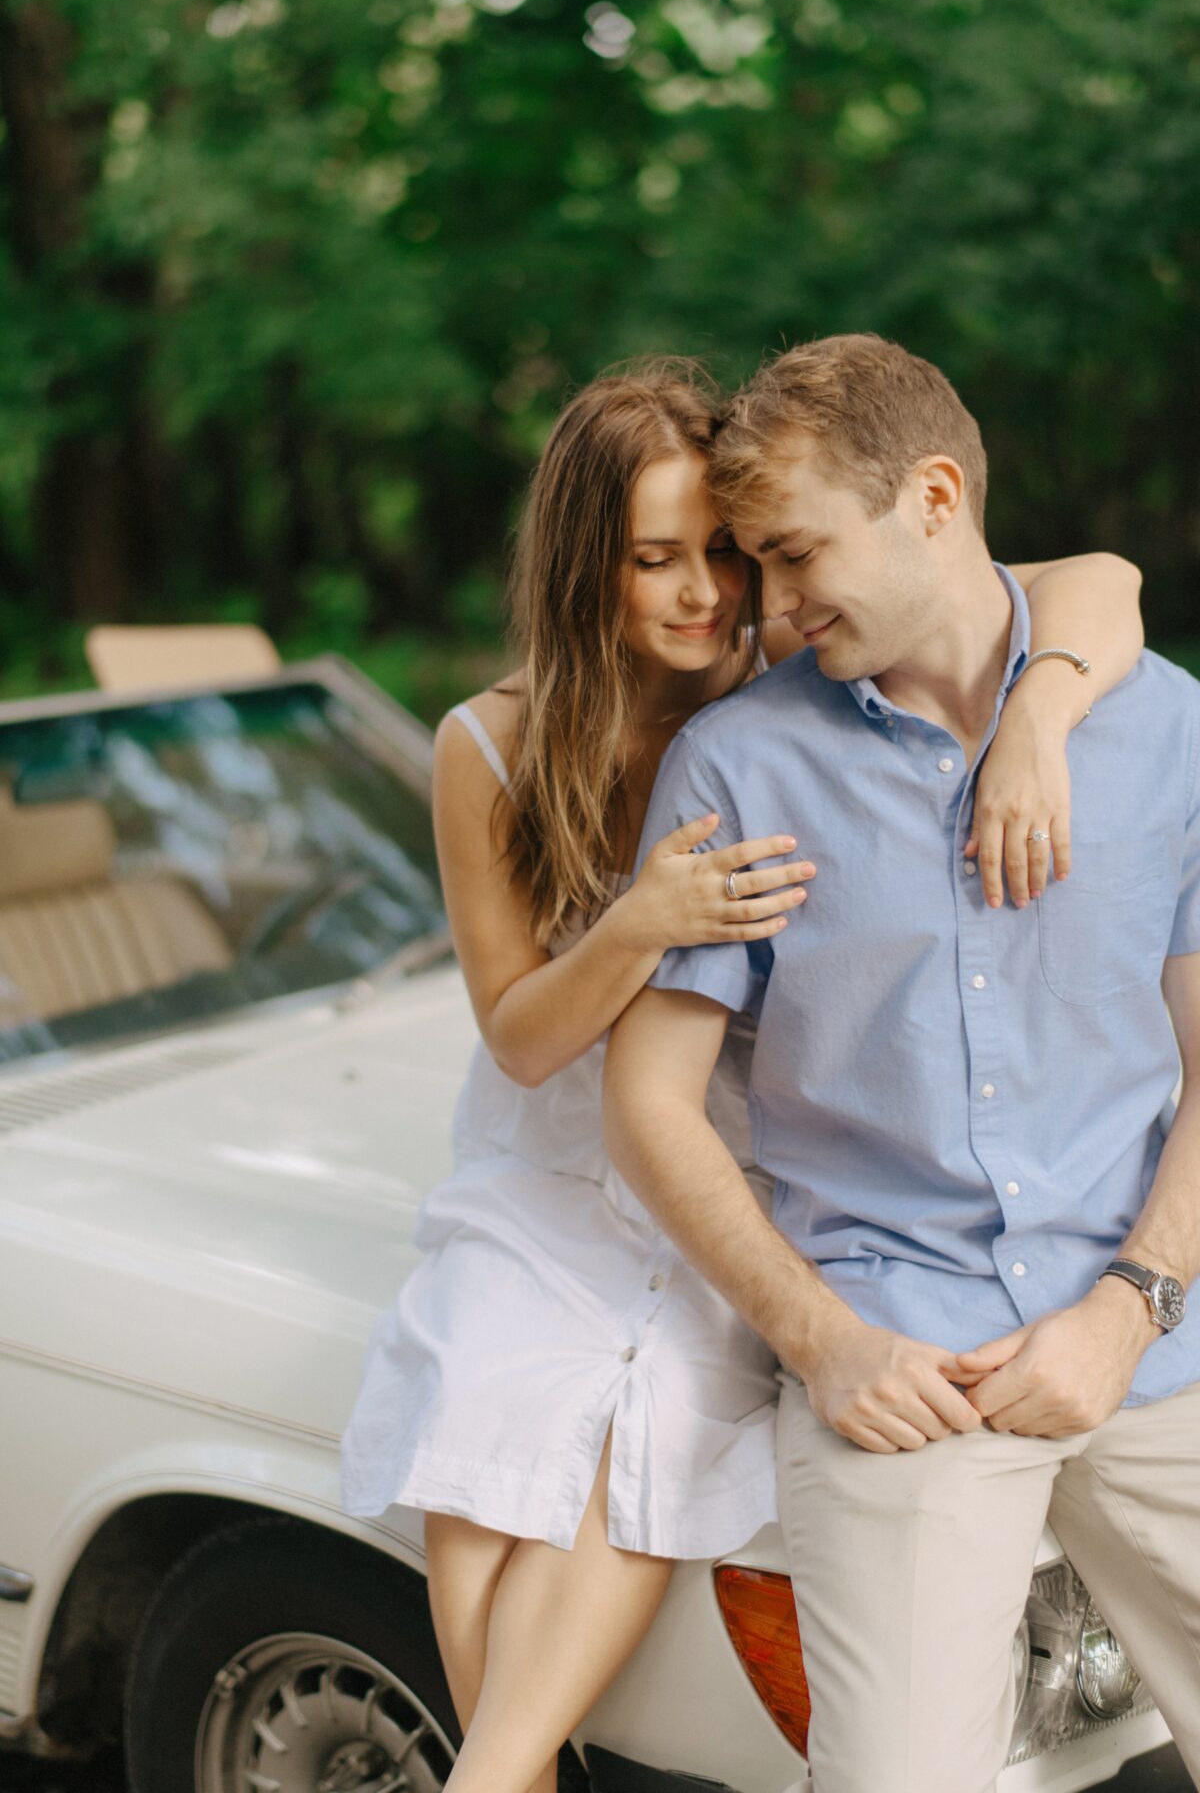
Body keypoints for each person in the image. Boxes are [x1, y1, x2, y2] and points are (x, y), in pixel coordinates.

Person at [340, 359, 1144, 1793]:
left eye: (730, 550)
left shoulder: (797, 666)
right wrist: (643, 919)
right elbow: (521, 1037)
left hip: (725, 1144)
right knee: (480, 1440)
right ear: (589, 564)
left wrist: (1041, 710)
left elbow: (1093, 576)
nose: (714, 591)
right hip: (555, 1155)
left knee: (639, 1440)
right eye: (661, 560)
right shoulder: (499, 743)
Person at [603, 333, 1200, 1793]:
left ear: (934, 497)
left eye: (796, 554)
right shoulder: (738, 764)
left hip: (1158, 1339)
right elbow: (646, 1100)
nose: (776, 605)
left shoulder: (1166, 725)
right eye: (755, 561)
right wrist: (824, 1341)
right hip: (900, 1364)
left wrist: (1128, 1308)